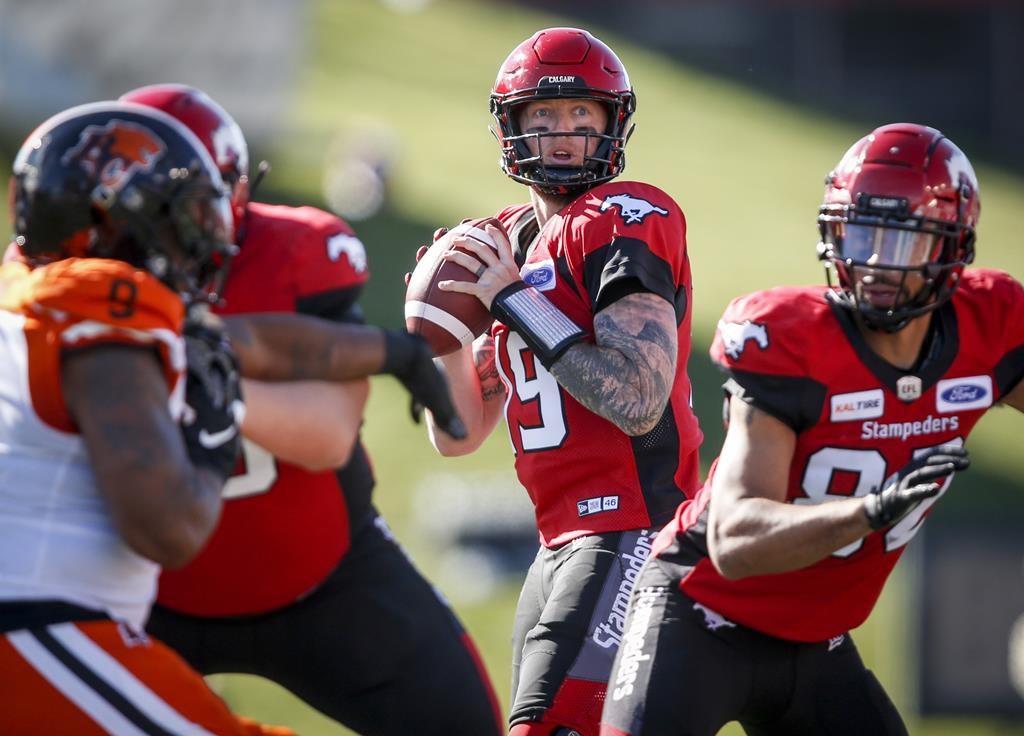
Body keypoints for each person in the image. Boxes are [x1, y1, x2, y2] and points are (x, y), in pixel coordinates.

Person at [0, 100, 465, 735]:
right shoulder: (102, 322)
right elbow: (170, 532)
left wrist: (394, 353)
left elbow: (245, 340)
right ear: (121, 221)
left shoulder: (60, 295)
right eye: (183, 213)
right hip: (39, 621)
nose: (205, 233)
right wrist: (217, 428)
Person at [598, 123, 1024, 736]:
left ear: (950, 246)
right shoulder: (791, 338)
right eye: (859, 232)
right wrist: (869, 511)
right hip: (699, 613)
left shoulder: (991, 326)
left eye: (900, 240)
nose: (874, 261)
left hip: (818, 641)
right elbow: (737, 540)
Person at [120, 84, 504, 736]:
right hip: (143, 589)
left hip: (324, 577)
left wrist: (200, 379)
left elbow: (328, 435)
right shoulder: (71, 270)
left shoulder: (290, 253)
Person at [419, 28, 703, 736]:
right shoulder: (505, 242)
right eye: (543, 117)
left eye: (584, 116)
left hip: (635, 526)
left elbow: (636, 401)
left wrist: (515, 304)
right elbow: (457, 436)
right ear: (509, 127)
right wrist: (441, 336)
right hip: (558, 543)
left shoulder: (625, 217)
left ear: (615, 124)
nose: (565, 134)